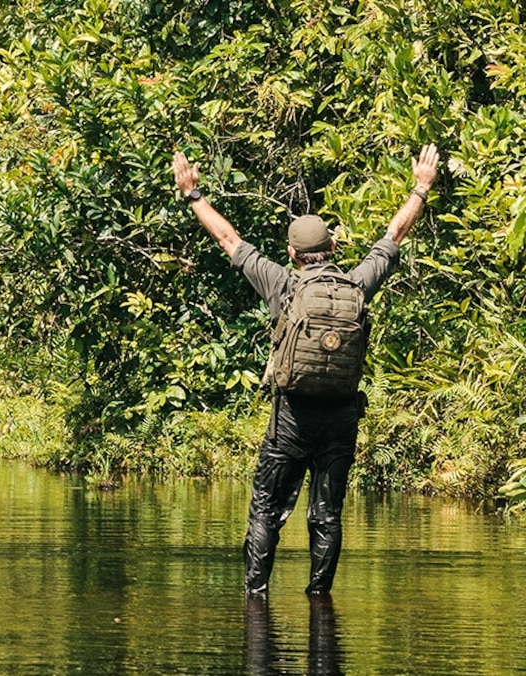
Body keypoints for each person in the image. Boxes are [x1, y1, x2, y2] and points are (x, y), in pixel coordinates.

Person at [172, 144, 439, 596]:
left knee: (265, 511)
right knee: (327, 514)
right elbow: (394, 236)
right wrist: (420, 187)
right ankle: (319, 600)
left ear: (293, 254)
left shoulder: (281, 283)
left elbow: (229, 240)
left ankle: (255, 600)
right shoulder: (357, 283)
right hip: (341, 419)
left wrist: (194, 194)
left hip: (291, 419)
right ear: (332, 248)